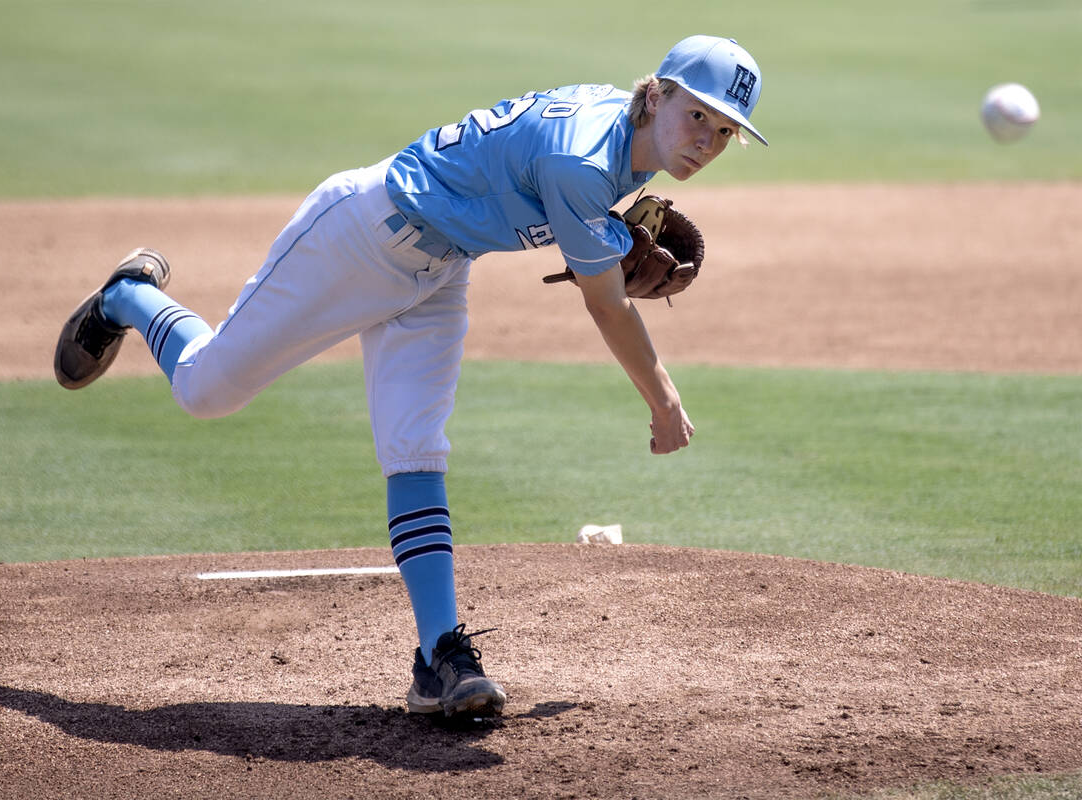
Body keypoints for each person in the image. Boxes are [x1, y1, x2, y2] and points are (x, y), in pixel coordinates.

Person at [53, 35, 767, 719]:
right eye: (696, 114)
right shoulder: (584, 159)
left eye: (724, 129)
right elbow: (606, 307)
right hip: (359, 236)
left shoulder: (626, 135)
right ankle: (128, 296)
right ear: (656, 94)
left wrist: (607, 235)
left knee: (416, 447)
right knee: (206, 390)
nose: (705, 138)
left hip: (439, 270)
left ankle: (440, 657)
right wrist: (664, 401)